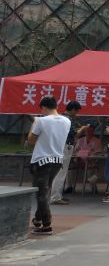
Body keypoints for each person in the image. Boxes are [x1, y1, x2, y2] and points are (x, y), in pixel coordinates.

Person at [27, 96, 71, 235]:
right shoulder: (67, 121)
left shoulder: (41, 121)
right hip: (57, 160)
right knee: (45, 191)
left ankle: (46, 225)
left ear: (44, 108)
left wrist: (34, 123)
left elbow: (31, 140)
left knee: (41, 194)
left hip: (42, 160)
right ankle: (38, 219)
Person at [51, 101, 87, 206]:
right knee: (61, 172)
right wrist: (83, 128)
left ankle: (57, 195)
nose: (76, 113)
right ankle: (55, 197)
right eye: (76, 111)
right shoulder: (68, 120)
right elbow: (75, 134)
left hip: (58, 145)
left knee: (59, 171)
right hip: (65, 146)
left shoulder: (60, 117)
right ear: (73, 109)